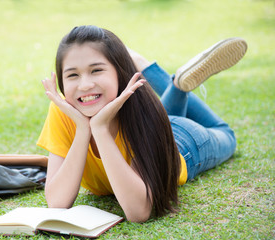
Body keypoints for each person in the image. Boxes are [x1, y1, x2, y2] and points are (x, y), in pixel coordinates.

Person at [37, 25, 247, 222]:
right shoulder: (63, 110)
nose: (85, 85)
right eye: (72, 75)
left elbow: (138, 211)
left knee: (226, 133)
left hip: (182, 143)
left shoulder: (143, 109)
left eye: (96, 70)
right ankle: (172, 84)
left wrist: (99, 129)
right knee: (160, 114)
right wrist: (83, 128)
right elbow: (57, 202)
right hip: (157, 122)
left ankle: (174, 84)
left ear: (119, 72)